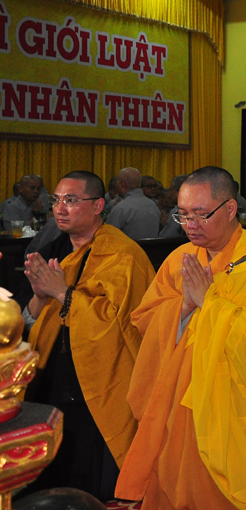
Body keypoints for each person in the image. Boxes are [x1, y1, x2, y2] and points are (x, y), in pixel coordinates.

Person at [115, 166, 246, 510]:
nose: (190, 224)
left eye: (200, 214)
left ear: (230, 209)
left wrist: (208, 301)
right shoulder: (178, 261)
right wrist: (184, 306)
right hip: (178, 401)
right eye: (182, 215)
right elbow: (144, 320)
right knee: (174, 485)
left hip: (233, 409)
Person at [21, 170, 155, 501]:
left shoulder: (123, 255)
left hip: (99, 386)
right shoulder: (56, 249)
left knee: (90, 484)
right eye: (56, 200)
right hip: (53, 380)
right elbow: (31, 320)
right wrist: (40, 295)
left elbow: (122, 329)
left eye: (71, 200)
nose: (60, 208)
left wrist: (63, 293)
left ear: (98, 206)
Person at [105, 167, 161, 240]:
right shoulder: (153, 206)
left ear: (122, 184)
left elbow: (108, 237)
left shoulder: (121, 208)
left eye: (116, 182)